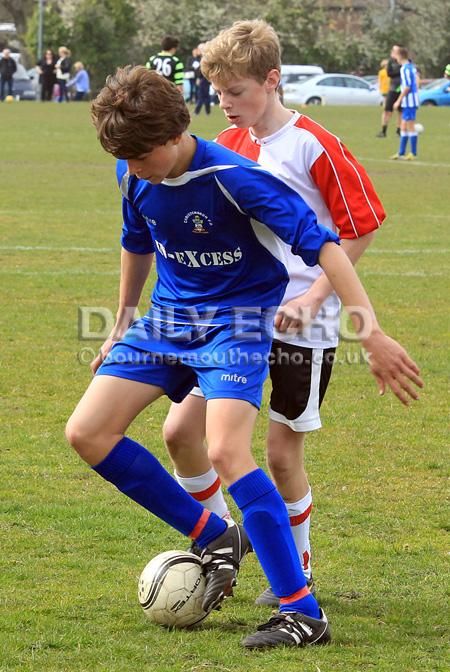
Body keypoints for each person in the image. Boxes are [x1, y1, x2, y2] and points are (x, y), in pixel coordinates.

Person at [67, 65, 422, 650]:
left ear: (173, 136)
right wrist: (122, 320)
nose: (131, 169)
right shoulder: (133, 174)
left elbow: (326, 246)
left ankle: (301, 612)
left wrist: (371, 332)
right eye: (123, 158)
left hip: (236, 326)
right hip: (168, 321)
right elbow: (135, 242)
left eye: (139, 156)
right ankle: (214, 534)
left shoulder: (238, 178)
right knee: (87, 432)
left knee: (227, 451)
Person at [161, 19, 402, 611]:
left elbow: (360, 225)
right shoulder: (227, 146)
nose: (225, 104)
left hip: (305, 323)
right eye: (218, 92)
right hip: (238, 318)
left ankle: (296, 569)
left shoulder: (313, 144)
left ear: (271, 82)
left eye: (236, 92)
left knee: (278, 453)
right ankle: (223, 545)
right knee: (180, 433)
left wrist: (314, 297)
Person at [391, 47, 419, 161]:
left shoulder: (405, 69)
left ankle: (413, 152)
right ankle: (401, 152)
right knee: (403, 125)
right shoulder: (411, 67)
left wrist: (398, 100)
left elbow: (407, 87)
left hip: (410, 101)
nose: (394, 57)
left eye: (395, 55)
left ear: (399, 55)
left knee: (410, 126)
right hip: (409, 100)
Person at [376, 45, 402, 138]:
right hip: (393, 88)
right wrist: (399, 71)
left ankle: (399, 131)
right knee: (387, 110)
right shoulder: (391, 61)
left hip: (402, 89)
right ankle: (383, 131)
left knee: (401, 111)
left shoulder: (404, 61)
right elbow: (389, 73)